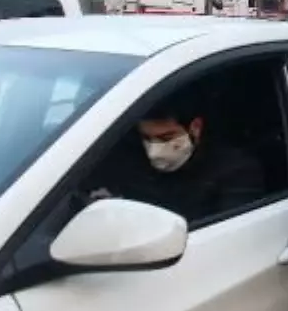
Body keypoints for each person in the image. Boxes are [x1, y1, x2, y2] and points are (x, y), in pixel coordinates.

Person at [85, 96, 265, 224]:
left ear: (195, 127)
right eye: (147, 139)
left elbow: (227, 236)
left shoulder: (236, 170)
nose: (154, 151)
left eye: (166, 138)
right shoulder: (129, 159)